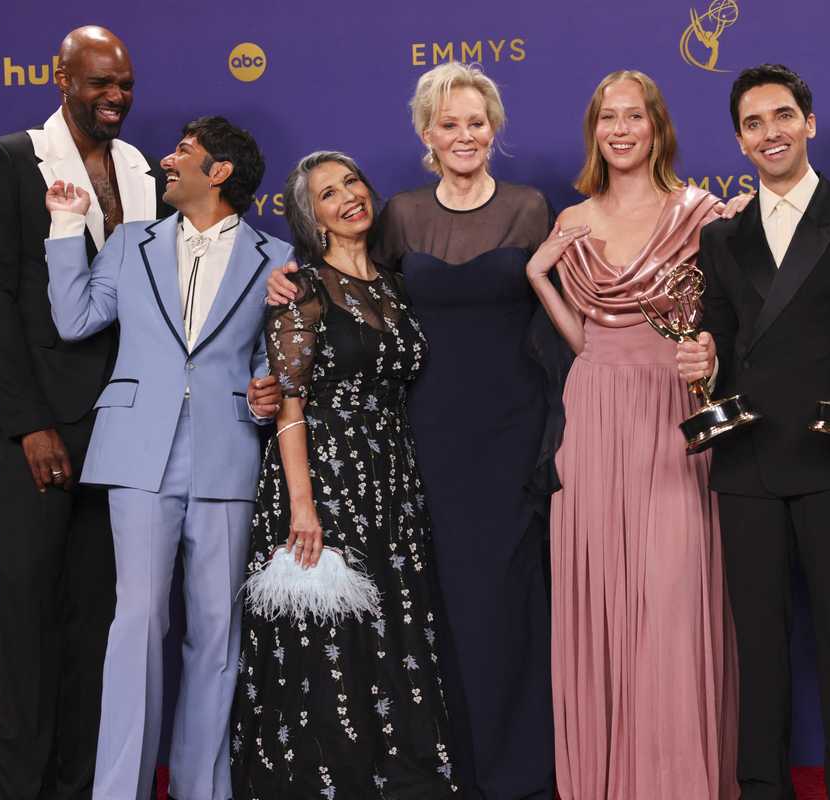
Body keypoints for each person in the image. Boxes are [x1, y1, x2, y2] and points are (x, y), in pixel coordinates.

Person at [267, 62, 564, 800]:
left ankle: (520, 770)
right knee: (434, 602)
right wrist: (286, 279)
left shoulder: (531, 208)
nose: (464, 135)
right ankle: (445, 765)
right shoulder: (398, 213)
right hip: (422, 439)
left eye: (476, 122)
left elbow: (564, 314)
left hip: (513, 431)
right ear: (426, 134)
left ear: (494, 129)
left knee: (508, 598)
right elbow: (352, 298)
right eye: (448, 123)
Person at [677, 64, 830, 800]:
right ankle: (762, 787)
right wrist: (701, 357)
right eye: (753, 123)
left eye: (782, 116)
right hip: (749, 460)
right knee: (759, 644)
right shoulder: (722, 238)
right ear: (739, 141)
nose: (770, 133)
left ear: (809, 123)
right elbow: (718, 333)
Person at [43, 116, 290, 800]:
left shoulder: (277, 256)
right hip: (138, 451)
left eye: (183, 152)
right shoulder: (131, 241)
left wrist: (266, 392)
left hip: (227, 453)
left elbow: (272, 358)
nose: (166, 160)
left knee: (216, 633)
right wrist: (66, 224)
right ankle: (119, 790)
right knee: (138, 622)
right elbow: (75, 318)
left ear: (220, 173)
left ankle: (199, 789)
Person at [0, 25, 168, 799]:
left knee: (100, 618)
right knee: (24, 614)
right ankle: (6, 787)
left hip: (126, 426)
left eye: (125, 84)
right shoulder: (11, 161)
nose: (115, 96)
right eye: (99, 83)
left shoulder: (142, 169)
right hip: (46, 427)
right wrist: (28, 424)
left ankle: (82, 785)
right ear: (61, 79)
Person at [525, 69, 739, 800]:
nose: (620, 129)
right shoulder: (572, 219)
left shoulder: (700, 212)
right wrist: (539, 277)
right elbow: (584, 340)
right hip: (593, 412)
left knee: (673, 594)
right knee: (602, 596)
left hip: (674, 407)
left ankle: (676, 781)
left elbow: (731, 315)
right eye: (607, 117)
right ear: (595, 131)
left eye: (634, 116)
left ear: (657, 127)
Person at [230, 151, 459, 799]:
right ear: (313, 218)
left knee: (395, 631)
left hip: (391, 481)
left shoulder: (398, 284)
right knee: (327, 642)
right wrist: (302, 506)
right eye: (328, 193)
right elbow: (290, 404)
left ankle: (400, 782)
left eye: (352, 182)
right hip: (323, 478)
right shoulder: (301, 288)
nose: (348, 197)